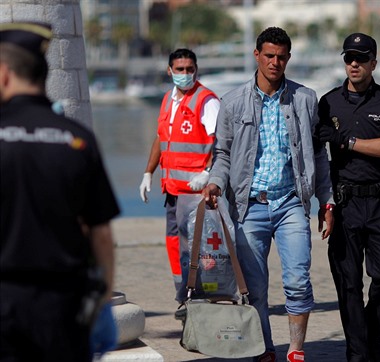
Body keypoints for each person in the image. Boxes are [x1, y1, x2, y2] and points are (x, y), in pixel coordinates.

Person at [202, 27, 334, 362]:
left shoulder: (305, 99)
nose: (275, 62)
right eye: (269, 56)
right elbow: (223, 155)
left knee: (298, 280)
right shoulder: (231, 103)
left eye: (282, 57)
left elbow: (318, 155)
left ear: (288, 58)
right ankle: (265, 349)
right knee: (255, 288)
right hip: (250, 207)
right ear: (257, 56)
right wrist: (215, 183)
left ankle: (296, 350)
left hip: (291, 202)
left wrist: (326, 200)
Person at [0, 22, 119, 360]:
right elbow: (101, 236)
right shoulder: (77, 139)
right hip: (63, 308)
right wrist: (103, 302)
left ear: (5, 73)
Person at [316, 33, 380, 362]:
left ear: (373, 63)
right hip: (344, 204)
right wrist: (323, 204)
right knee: (348, 284)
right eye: (348, 58)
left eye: (361, 58)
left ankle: (371, 333)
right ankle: (358, 352)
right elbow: (314, 157)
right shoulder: (327, 103)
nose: (354, 64)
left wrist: (348, 142)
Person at [138, 48, 219, 311]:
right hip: (172, 190)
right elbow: (161, 139)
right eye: (180, 69)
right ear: (169, 70)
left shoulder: (206, 101)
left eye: (190, 69)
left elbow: (221, 142)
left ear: (197, 69)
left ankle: (202, 295)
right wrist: (148, 172)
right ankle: (182, 295)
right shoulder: (167, 100)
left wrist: (208, 173)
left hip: (197, 192)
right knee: (174, 243)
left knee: (198, 247)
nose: (185, 74)